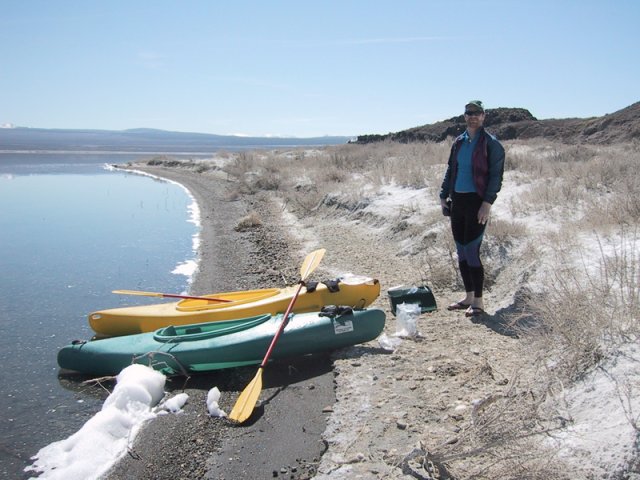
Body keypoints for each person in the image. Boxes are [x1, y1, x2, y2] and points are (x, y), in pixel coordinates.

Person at [439, 100, 505, 317]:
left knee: (471, 251)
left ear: (484, 116)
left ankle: (478, 302)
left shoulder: (491, 144)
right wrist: (443, 195)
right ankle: (468, 297)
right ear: (465, 116)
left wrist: (487, 204)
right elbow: (451, 169)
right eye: (469, 113)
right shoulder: (459, 142)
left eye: (477, 113)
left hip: (477, 203)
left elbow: (496, 177)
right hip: (457, 201)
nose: (473, 116)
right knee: (461, 251)